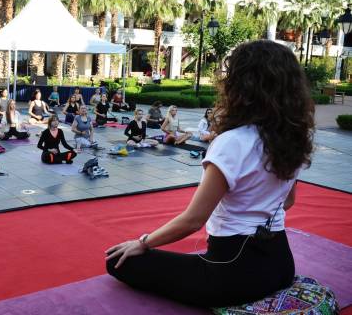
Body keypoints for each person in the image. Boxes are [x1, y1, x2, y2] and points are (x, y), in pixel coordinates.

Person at [105, 40, 314, 308]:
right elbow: (288, 201)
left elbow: (193, 220)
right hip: (281, 264)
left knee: (117, 261)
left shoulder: (233, 141)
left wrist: (143, 242)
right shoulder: (292, 138)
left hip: (232, 271)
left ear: (242, 85)